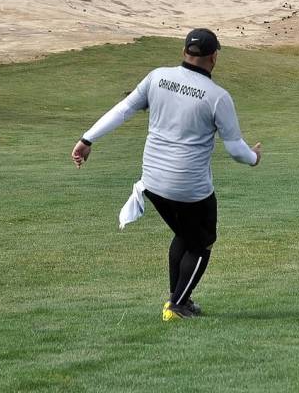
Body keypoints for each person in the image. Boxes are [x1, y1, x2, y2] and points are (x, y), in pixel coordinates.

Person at [71, 28, 261, 321]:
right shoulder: (218, 97)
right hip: (190, 187)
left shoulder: (157, 77)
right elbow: (236, 149)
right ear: (214, 57)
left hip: (153, 182)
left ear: (184, 52)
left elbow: (123, 110)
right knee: (203, 242)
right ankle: (178, 305)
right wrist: (254, 158)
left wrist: (87, 140)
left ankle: (178, 299)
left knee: (184, 236)